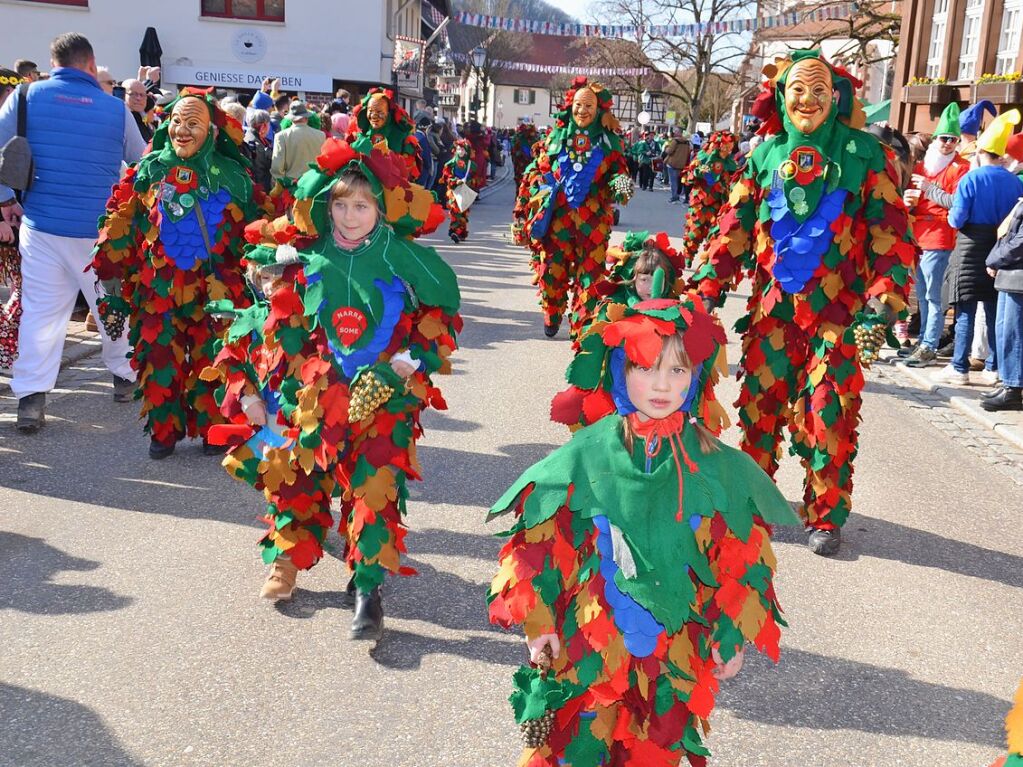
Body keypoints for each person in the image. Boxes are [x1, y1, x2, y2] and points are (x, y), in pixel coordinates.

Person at [488, 298, 798, 767]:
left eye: (677, 371)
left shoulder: (717, 465)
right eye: (645, 368)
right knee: (579, 747)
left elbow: (740, 555)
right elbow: (540, 544)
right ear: (619, 371)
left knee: (656, 749)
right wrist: (540, 620)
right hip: (588, 643)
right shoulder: (584, 454)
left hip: (673, 651)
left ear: (696, 378)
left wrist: (730, 630)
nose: (661, 385)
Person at [205, 136, 460, 641]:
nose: (349, 216)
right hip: (314, 388)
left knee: (374, 481)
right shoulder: (306, 255)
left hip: (383, 390)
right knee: (293, 473)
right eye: (339, 204)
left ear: (379, 208)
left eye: (361, 205)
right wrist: (271, 379)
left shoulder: (401, 255)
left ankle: (368, 587)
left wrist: (405, 365)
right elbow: (274, 319)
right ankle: (286, 559)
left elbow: (442, 312)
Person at [690, 50, 917, 556]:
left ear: (836, 97)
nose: (808, 100)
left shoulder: (866, 155)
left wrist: (883, 301)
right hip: (774, 311)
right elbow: (735, 227)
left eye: (819, 90)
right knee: (760, 407)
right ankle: (752, 498)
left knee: (828, 410)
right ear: (781, 96)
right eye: (798, 89)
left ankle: (825, 515)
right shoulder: (766, 154)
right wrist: (705, 290)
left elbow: (892, 235)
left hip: (839, 315)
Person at [91, 89, 258, 458]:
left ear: (212, 132)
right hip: (158, 285)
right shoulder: (149, 171)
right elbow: (122, 224)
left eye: (193, 123)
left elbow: (253, 230)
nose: (182, 130)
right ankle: (163, 430)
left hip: (215, 286)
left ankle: (212, 425)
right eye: (177, 122)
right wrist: (111, 276)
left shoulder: (234, 177)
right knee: (159, 356)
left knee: (213, 356)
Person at [0, 33, 145, 433]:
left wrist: (5, 201)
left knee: (42, 314)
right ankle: (124, 377)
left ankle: (31, 399)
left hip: (42, 225)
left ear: (55, 62)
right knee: (110, 307)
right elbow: (141, 164)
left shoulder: (25, 97)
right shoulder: (115, 110)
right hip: (99, 232)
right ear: (90, 63)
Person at [518, 77, 633, 339]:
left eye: (589, 105)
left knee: (590, 277)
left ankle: (582, 325)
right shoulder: (555, 138)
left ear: (599, 110)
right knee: (551, 273)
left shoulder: (610, 143)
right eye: (579, 105)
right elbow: (537, 170)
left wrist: (620, 182)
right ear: (570, 106)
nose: (583, 110)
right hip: (557, 221)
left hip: (593, 223)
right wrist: (536, 187)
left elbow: (618, 171)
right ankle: (552, 312)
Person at [933, 110, 1023, 387]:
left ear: (980, 151)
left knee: (964, 310)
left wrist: (949, 217)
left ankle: (959, 366)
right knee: (995, 310)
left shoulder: (970, 179)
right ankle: (994, 367)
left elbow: (957, 217)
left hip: (970, 246)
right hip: (999, 247)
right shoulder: (1013, 180)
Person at [899, 104, 971, 367]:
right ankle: (923, 342)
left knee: (933, 295)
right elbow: (911, 200)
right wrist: (908, 202)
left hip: (941, 236)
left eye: (953, 139)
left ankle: (930, 344)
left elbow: (957, 202)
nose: (948, 143)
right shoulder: (921, 166)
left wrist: (929, 190)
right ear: (937, 138)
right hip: (918, 235)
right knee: (922, 293)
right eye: (944, 138)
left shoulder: (961, 168)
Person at [983, 186, 1023, 411]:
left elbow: (1019, 243)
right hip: (1011, 275)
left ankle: (1014, 388)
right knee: (1004, 331)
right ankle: (1009, 382)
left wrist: (994, 259)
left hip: (1018, 276)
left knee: (1013, 334)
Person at [680, 130, 738, 268]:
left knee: (715, 233)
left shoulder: (730, 162)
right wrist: (703, 169)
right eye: (725, 146)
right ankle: (688, 255)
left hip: (718, 203)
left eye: (730, 147)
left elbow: (734, 177)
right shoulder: (703, 156)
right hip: (700, 201)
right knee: (695, 230)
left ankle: (710, 261)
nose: (727, 150)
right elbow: (692, 173)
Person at [346, 88, 421, 178]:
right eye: (371, 111)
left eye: (379, 112)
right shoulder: (359, 132)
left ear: (388, 113)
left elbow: (407, 168)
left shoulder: (400, 134)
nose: (374, 116)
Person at [269, 100, 324, 182]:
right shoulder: (321, 135)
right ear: (306, 117)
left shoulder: (281, 136)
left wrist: (278, 185)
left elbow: (277, 167)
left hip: (293, 185)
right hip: (314, 184)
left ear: (291, 118)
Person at [441, 138, 475, 244]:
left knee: (463, 211)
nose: (460, 151)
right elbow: (447, 175)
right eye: (458, 149)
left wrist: (467, 182)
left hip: (464, 189)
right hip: (454, 189)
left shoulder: (470, 164)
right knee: (455, 210)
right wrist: (454, 181)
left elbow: (474, 177)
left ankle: (461, 232)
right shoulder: (452, 162)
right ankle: (454, 230)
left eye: (462, 150)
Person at [242, 108, 273, 192]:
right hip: (261, 188)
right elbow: (259, 170)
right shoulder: (256, 144)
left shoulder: (249, 136)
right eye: (268, 124)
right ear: (264, 125)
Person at [662, 128, 691, 203]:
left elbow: (669, 151)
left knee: (673, 181)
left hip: (673, 163)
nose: (674, 132)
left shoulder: (675, 141)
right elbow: (688, 152)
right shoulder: (687, 142)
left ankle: (674, 196)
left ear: (679, 133)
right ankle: (680, 195)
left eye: (675, 131)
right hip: (682, 164)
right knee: (679, 181)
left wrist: (666, 148)